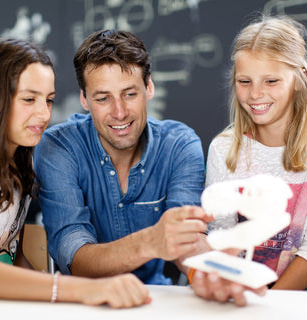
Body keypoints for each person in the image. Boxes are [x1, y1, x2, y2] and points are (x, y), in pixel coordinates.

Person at [0, 38, 150, 308]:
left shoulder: (18, 168)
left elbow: (10, 259)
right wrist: (82, 289)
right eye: (29, 99)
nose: (43, 113)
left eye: (48, 100)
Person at [33, 29, 215, 286]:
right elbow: (74, 255)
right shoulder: (59, 148)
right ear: (84, 99)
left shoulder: (180, 145)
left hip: (155, 298)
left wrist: (212, 275)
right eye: (103, 98)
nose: (119, 112)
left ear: (149, 87)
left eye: (129, 94)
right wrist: (151, 241)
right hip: (84, 301)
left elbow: (186, 239)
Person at [191, 15, 307, 300]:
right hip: (242, 295)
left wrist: (270, 305)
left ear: (299, 80)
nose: (255, 94)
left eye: (271, 81)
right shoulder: (224, 148)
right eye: (245, 81)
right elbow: (223, 237)